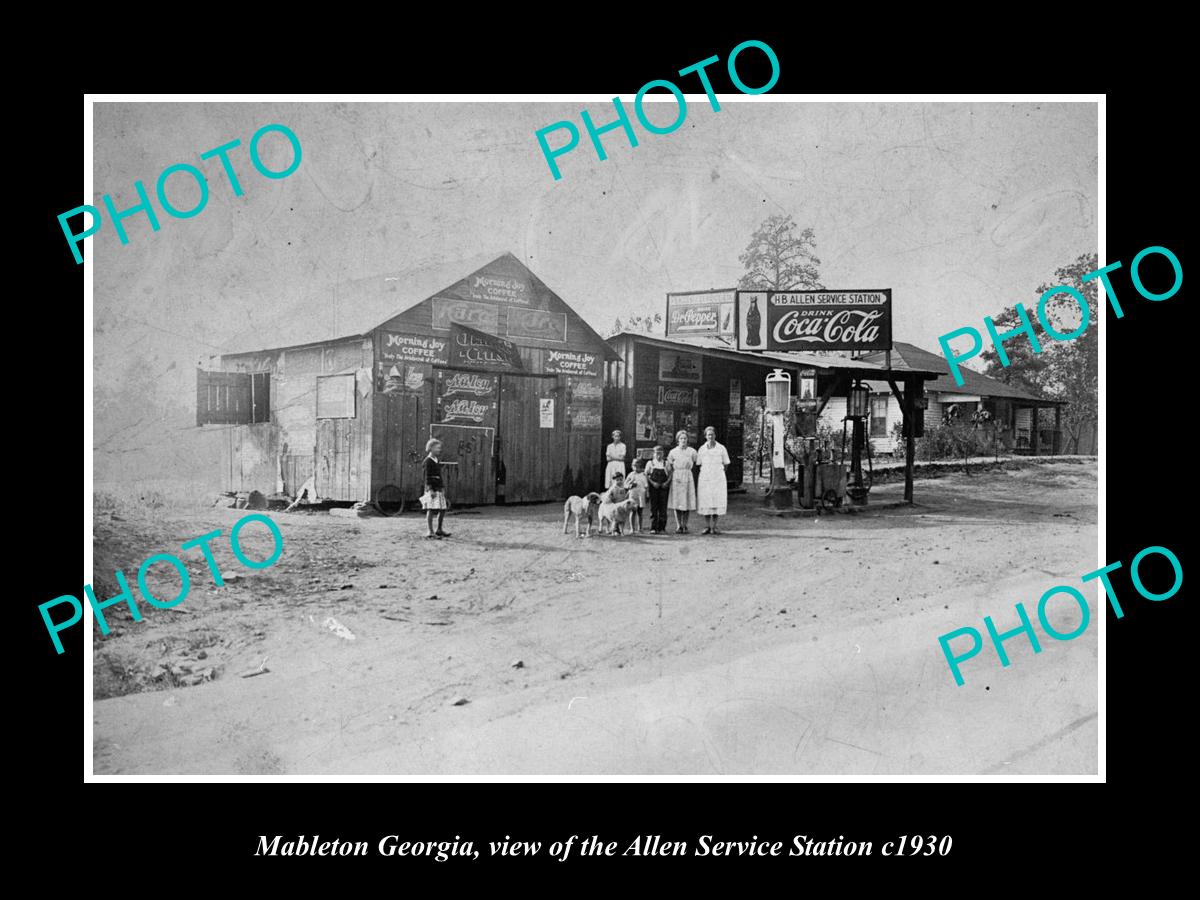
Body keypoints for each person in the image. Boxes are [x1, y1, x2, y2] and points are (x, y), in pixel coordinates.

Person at [696, 426, 731, 534]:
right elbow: (698, 464)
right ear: (705, 436)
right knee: (706, 501)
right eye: (708, 435)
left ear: (715, 435)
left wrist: (718, 472)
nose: (710, 436)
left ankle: (714, 527)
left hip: (718, 478)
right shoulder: (702, 449)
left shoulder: (721, 448)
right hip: (705, 478)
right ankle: (707, 526)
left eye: (712, 434)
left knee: (716, 501)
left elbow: (726, 464)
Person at [666, 429, 698, 533]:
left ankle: (685, 525)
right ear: (678, 440)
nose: (683, 440)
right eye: (681, 438)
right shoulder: (673, 452)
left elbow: (697, 462)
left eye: (685, 438)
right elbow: (669, 466)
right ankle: (678, 525)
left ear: (687, 440)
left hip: (687, 476)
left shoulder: (692, 451)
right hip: (677, 476)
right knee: (677, 501)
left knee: (686, 501)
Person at [420, 438, 450, 539]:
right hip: (431, 488)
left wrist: (442, 487)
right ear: (431, 448)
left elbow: (439, 475)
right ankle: (430, 531)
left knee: (443, 508)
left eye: (440, 448)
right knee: (431, 509)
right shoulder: (428, 461)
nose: (439, 450)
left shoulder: (436, 460)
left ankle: (439, 529)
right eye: (437, 448)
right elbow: (426, 477)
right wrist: (430, 489)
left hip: (438, 488)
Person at [645, 445, 670, 534]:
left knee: (663, 507)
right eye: (657, 453)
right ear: (653, 454)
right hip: (653, 488)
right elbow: (646, 475)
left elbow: (670, 474)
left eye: (660, 453)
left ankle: (662, 528)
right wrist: (652, 483)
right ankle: (653, 527)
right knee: (654, 507)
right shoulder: (650, 463)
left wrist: (666, 483)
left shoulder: (666, 463)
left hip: (663, 488)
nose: (659, 455)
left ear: (663, 454)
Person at [623, 458, 649, 533]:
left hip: (641, 494)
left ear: (641, 466)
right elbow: (625, 484)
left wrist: (647, 494)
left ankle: (640, 528)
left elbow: (646, 485)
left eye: (638, 466)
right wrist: (630, 485)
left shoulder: (643, 474)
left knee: (640, 512)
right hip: (633, 494)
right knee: (632, 511)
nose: (636, 468)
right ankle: (632, 528)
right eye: (634, 466)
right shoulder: (631, 474)